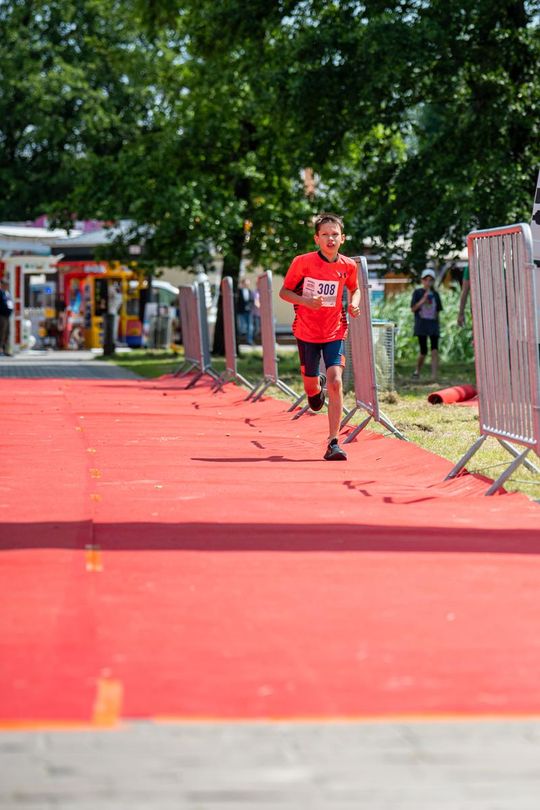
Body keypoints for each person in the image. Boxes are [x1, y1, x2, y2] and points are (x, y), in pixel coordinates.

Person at [279, 212, 361, 461]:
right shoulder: (302, 262)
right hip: (306, 332)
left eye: (335, 234)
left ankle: (333, 442)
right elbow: (284, 291)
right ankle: (316, 389)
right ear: (317, 239)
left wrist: (354, 304)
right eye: (325, 234)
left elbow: (354, 288)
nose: (330, 238)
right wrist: (305, 301)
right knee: (312, 393)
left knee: (337, 382)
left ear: (342, 238)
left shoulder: (348, 265)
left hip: (334, 330)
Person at [411, 268, 443, 381]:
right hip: (422, 325)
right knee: (423, 351)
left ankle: (434, 376)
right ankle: (417, 371)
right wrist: (423, 300)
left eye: (430, 280)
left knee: (435, 350)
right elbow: (413, 308)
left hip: (433, 325)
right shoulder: (417, 293)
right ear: (422, 280)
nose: (428, 282)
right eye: (426, 279)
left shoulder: (436, 294)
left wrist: (438, 327)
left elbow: (438, 311)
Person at [236, 277, 255, 345]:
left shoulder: (250, 291)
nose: (247, 284)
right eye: (245, 283)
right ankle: (239, 340)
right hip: (241, 311)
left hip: (249, 311)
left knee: (250, 327)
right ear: (243, 283)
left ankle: (249, 341)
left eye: (248, 283)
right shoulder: (238, 291)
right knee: (242, 327)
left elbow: (252, 300)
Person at [0, 277, 14, 356]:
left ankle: (6, 350)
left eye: (7, 285)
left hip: (7, 316)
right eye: (5, 284)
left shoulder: (7, 293)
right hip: (1, 316)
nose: (6, 286)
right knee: (1, 333)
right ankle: (1, 349)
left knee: (7, 333)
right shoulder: (0, 293)